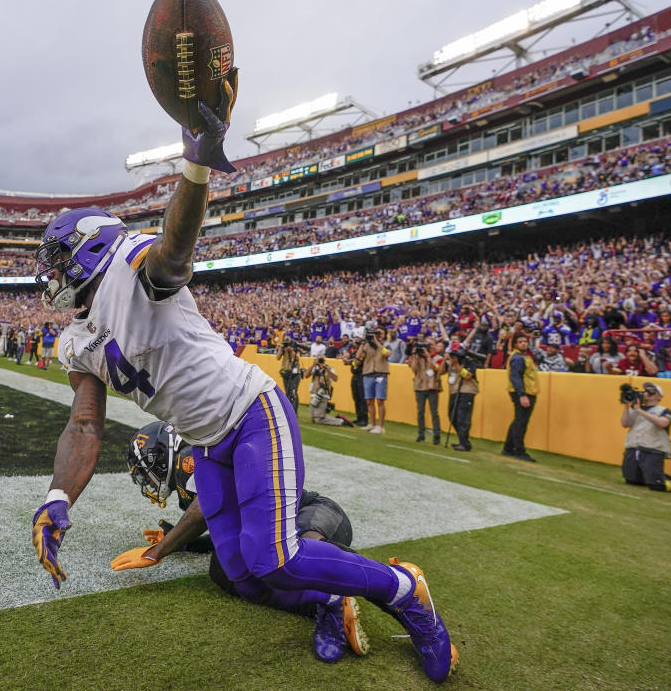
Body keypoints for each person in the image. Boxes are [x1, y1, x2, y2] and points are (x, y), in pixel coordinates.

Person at [30, 75, 457, 681]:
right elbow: (84, 422)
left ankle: (403, 588)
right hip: (207, 442)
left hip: (251, 413)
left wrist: (196, 167)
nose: (46, 274)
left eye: (54, 258)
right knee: (238, 572)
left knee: (274, 558)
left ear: (87, 248)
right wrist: (56, 497)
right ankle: (331, 601)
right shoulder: (75, 338)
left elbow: (174, 253)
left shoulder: (132, 265)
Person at [114, 422, 367, 659]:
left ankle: (382, 579)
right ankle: (323, 603)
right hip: (279, 526)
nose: (147, 482)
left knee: (298, 551)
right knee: (225, 570)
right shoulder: (184, 485)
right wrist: (185, 542)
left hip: (315, 513)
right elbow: (227, 530)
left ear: (160, 458)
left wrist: (159, 550)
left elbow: (202, 509)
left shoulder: (190, 458)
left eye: (146, 474)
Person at [620, 381, 671, 495]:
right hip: (634, 448)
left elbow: (663, 423)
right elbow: (625, 424)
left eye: (651, 391)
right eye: (645, 390)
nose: (646, 392)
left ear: (660, 396)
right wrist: (626, 405)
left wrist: (639, 410)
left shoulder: (664, 411)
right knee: (632, 480)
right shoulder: (635, 409)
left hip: (652, 450)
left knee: (657, 485)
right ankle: (659, 476)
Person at [503, 333, 538, 462]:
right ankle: (519, 450)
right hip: (524, 392)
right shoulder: (518, 358)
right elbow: (516, 377)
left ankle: (508, 448)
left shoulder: (524, 356)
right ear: (516, 344)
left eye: (525, 341)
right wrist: (522, 395)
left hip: (524, 391)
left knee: (518, 420)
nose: (524, 343)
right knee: (521, 422)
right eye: (520, 342)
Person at [408, 341, 443, 444]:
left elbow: (434, 368)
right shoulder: (418, 357)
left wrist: (428, 356)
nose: (429, 347)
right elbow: (414, 369)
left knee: (434, 412)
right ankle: (421, 435)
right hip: (420, 386)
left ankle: (437, 436)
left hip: (433, 387)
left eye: (431, 344)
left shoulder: (439, 358)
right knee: (420, 412)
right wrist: (414, 355)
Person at [357, 327, 391, 434]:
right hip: (368, 373)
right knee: (369, 400)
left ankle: (381, 426)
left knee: (380, 400)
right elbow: (358, 357)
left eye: (379, 334)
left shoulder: (385, 345)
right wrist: (363, 342)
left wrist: (376, 341)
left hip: (380, 373)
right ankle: (372, 423)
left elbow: (387, 354)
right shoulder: (367, 345)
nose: (377, 335)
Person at [445, 348, 478, 451]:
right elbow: (441, 371)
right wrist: (444, 360)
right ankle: (463, 441)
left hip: (467, 391)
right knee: (452, 416)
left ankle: (464, 443)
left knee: (462, 418)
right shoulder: (450, 363)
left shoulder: (469, 362)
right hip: (454, 391)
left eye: (454, 355)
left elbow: (467, 376)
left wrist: (456, 364)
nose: (453, 357)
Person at [307, 358, 350, 426]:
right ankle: (337, 419)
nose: (320, 363)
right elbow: (306, 375)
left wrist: (326, 369)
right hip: (314, 394)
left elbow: (335, 378)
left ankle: (341, 421)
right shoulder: (315, 368)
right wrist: (313, 365)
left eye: (321, 361)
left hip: (322, 395)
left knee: (319, 419)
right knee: (314, 418)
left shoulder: (329, 368)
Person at [279, 342, 303, 410]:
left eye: (289, 346)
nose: (288, 347)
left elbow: (295, 360)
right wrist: (281, 348)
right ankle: (288, 409)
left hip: (295, 375)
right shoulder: (284, 352)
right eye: (287, 346)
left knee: (293, 392)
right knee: (287, 391)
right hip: (286, 374)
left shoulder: (294, 354)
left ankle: (294, 410)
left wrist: (290, 351)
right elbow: (277, 357)